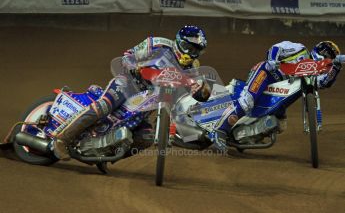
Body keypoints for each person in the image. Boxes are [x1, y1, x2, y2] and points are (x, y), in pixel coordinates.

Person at [53, 25, 210, 160]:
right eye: (188, 48)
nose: (190, 54)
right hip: (128, 84)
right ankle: (61, 140)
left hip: (149, 101)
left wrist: (202, 91)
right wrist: (134, 65)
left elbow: (198, 90)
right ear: (178, 42)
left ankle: (106, 156)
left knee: (146, 137)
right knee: (104, 106)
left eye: (196, 51)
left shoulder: (193, 67)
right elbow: (127, 56)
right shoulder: (157, 44)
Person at [212, 40, 344, 151]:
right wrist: (272, 60)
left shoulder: (313, 74)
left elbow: (323, 83)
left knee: (280, 124)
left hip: (278, 90)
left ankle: (241, 137)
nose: (329, 59)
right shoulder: (300, 49)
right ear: (321, 50)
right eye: (329, 55)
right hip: (267, 73)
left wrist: (337, 67)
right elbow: (276, 48)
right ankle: (220, 131)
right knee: (247, 101)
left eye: (332, 58)